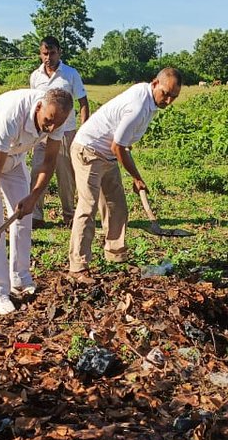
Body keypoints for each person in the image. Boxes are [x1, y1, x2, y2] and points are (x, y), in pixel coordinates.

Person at [0, 88, 75, 315]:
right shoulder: (12, 115)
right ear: (38, 108)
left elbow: (49, 161)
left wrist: (33, 197)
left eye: (57, 123)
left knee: (24, 219)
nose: (51, 128)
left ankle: (20, 277)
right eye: (48, 121)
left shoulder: (58, 117)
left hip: (14, 158)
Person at [67, 68, 182, 282]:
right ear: (155, 83)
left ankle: (115, 255)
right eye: (165, 93)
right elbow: (117, 146)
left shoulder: (149, 100)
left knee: (117, 206)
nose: (167, 100)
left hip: (108, 156)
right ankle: (78, 266)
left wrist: (132, 173)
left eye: (173, 97)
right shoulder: (138, 106)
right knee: (88, 207)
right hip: (89, 151)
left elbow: (122, 144)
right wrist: (137, 177)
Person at [28, 37, 90, 226]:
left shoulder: (70, 74)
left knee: (66, 175)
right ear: (40, 53)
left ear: (59, 52)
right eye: (45, 53)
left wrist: (83, 132)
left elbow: (83, 103)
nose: (48, 57)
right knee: (37, 171)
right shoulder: (35, 76)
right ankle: (36, 215)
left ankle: (69, 215)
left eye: (52, 53)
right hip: (41, 133)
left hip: (66, 131)